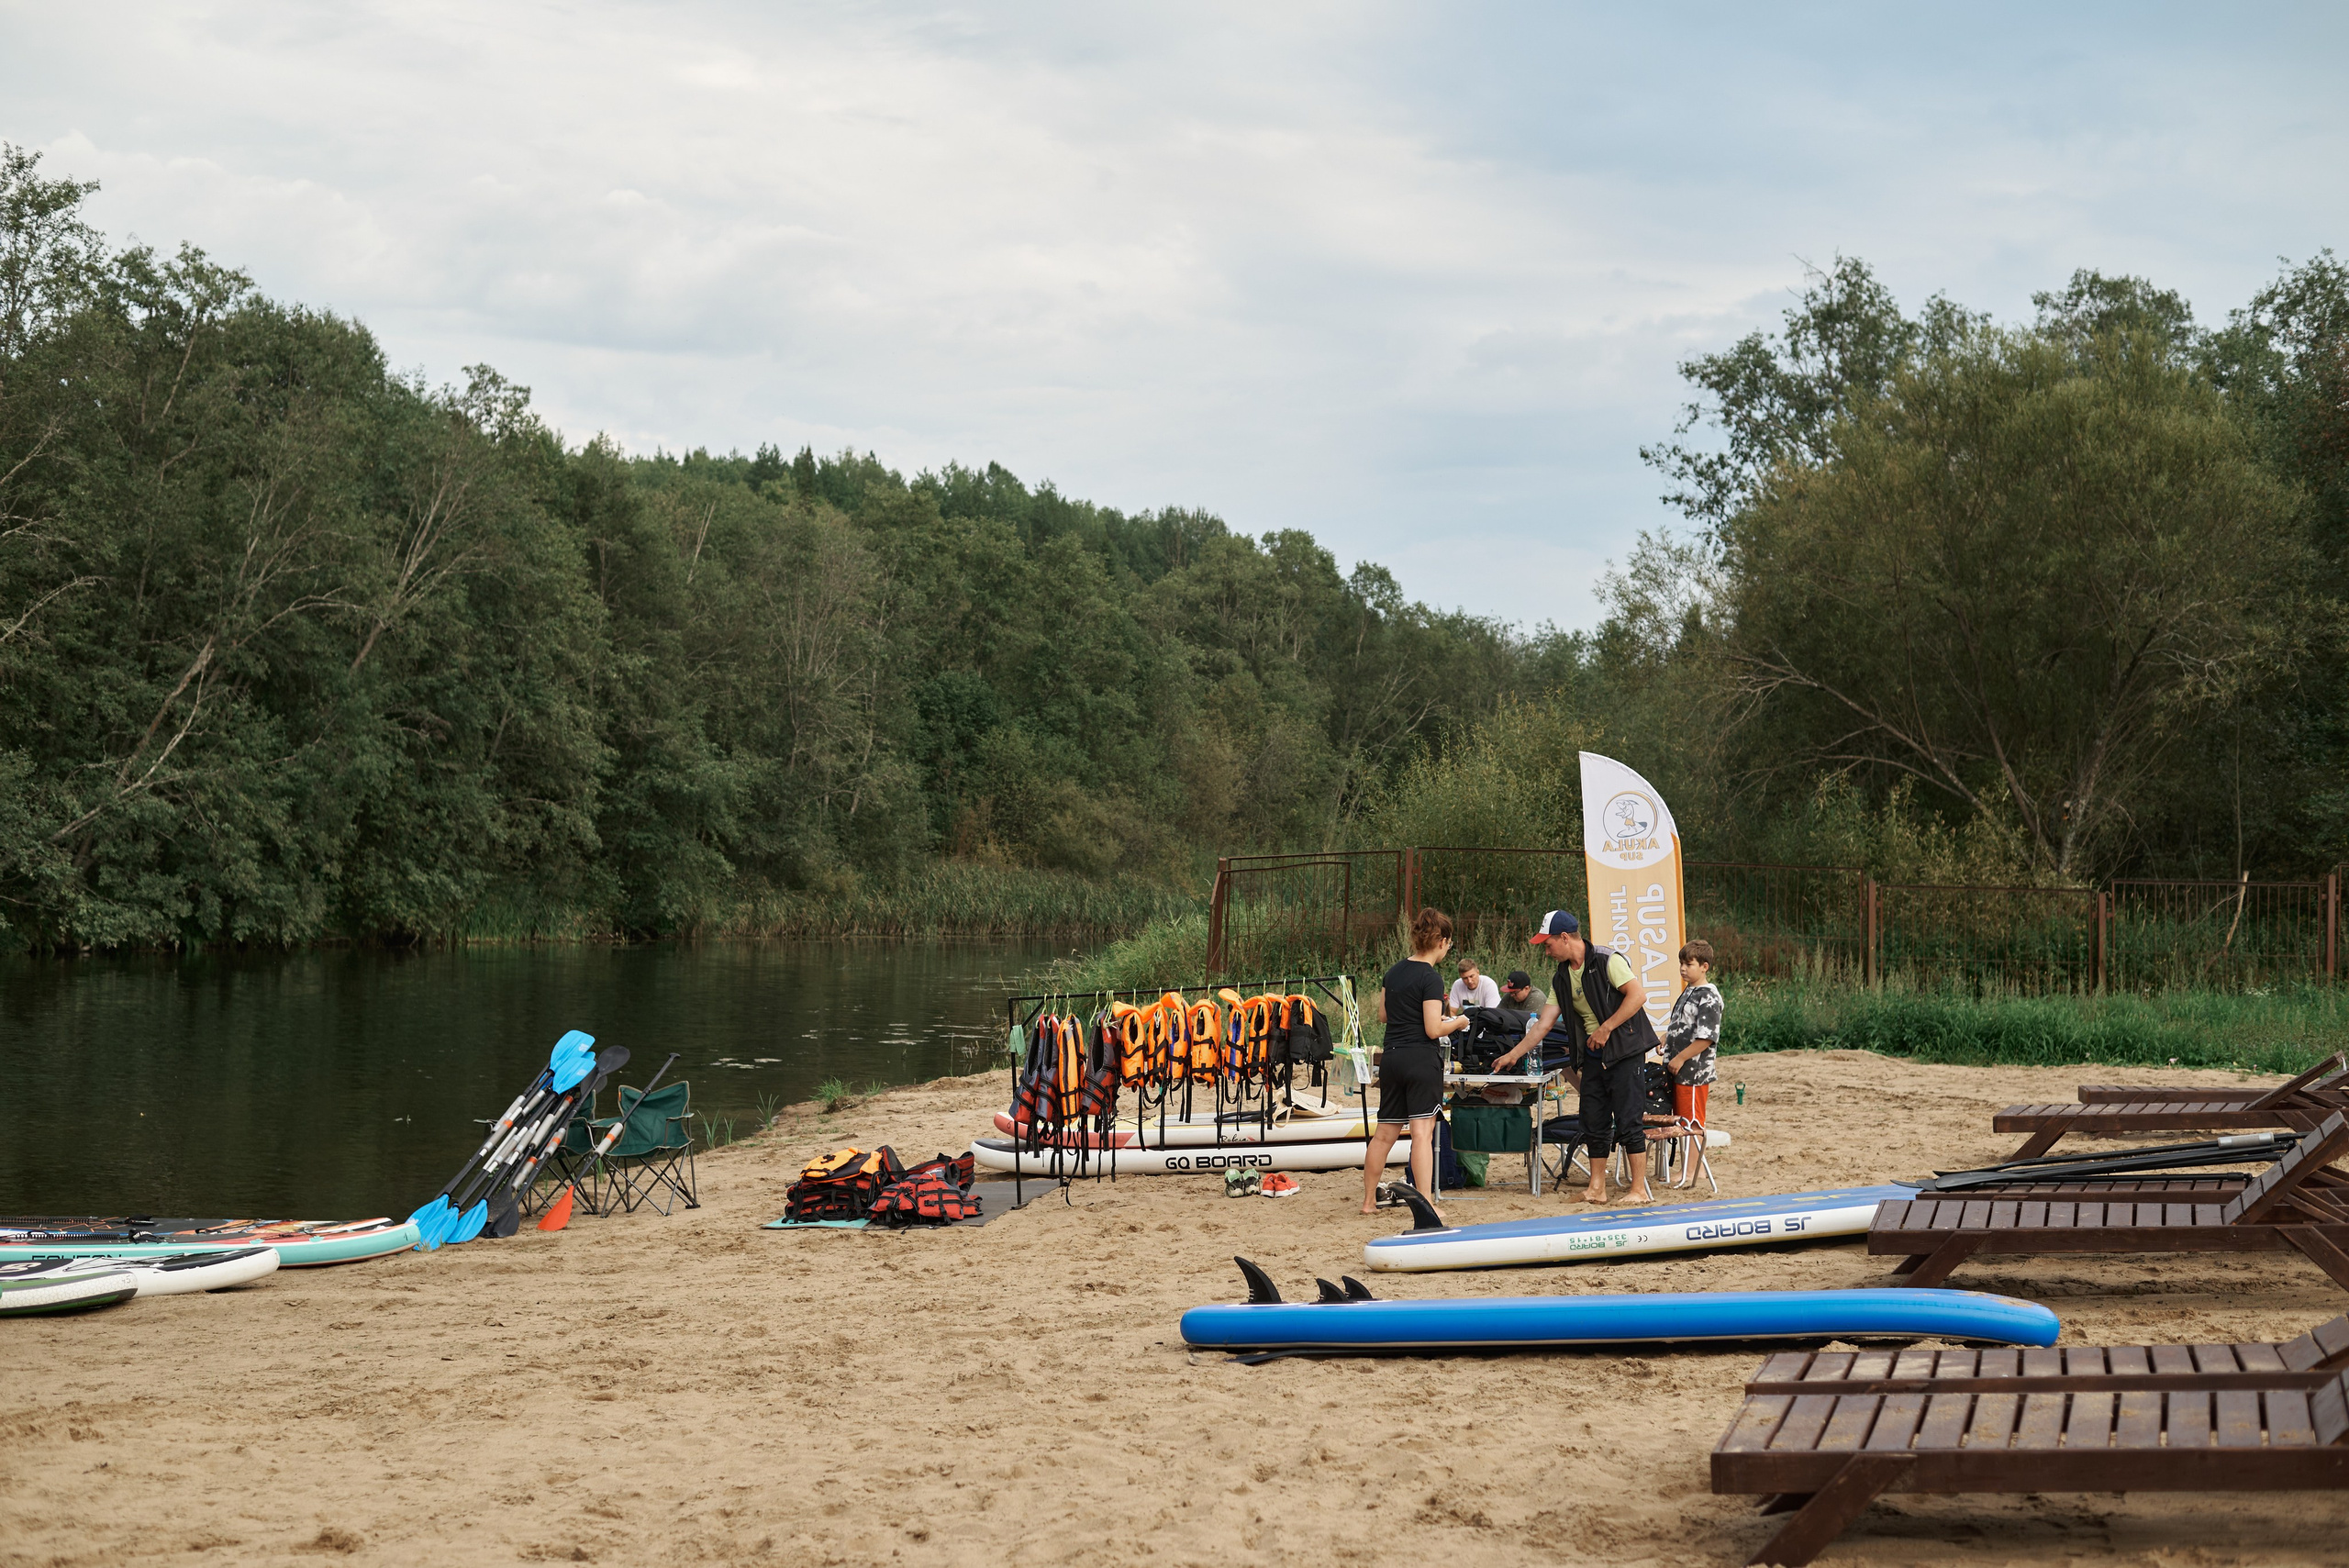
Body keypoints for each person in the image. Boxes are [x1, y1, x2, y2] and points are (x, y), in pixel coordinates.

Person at [1493, 909, 1658, 1206]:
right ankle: (1597, 1188)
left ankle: (1639, 1190)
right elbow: (1543, 1024)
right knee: (1592, 1120)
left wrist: (1607, 1028)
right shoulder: (1561, 977)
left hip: (1624, 1050)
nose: (1546, 950)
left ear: (1565, 938)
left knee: (1628, 1119)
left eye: (1548, 944)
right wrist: (1513, 1054)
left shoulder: (1609, 960)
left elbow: (1638, 996)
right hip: (1593, 1054)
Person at [1361, 906, 1470, 1217]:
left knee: (1383, 1135)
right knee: (1422, 1134)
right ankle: (1427, 1204)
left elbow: (1383, 1015)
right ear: (1443, 942)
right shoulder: (1431, 977)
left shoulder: (1393, 972)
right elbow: (1433, 1028)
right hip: (1421, 1059)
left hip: (1392, 1058)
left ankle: (1369, 1202)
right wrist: (1459, 1022)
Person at [1663, 940, 1723, 1126]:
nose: (1683, 968)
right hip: (1678, 1071)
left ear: (1704, 967)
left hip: (1693, 1074)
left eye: (1689, 964)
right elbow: (1681, 1025)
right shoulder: (1689, 990)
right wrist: (1664, 1039)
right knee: (1680, 1124)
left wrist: (1680, 1058)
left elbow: (1706, 1038)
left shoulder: (1708, 996)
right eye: (1681, 963)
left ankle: (1693, 1157)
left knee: (1692, 1126)